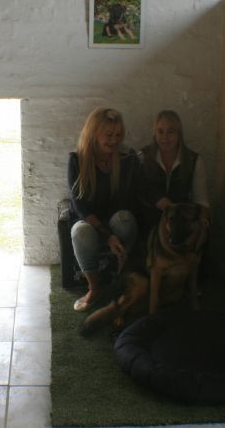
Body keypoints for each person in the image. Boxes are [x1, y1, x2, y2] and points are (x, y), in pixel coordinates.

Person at [68, 107, 140, 312]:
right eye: (108, 135)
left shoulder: (127, 159)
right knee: (80, 232)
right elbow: (80, 207)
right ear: (94, 133)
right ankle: (94, 288)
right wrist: (108, 236)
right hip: (88, 221)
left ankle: (120, 278)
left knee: (126, 219)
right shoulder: (76, 160)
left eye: (118, 135)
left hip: (117, 220)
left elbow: (131, 201)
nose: (114, 140)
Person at [138, 110, 210, 235]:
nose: (165, 137)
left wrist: (202, 224)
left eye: (170, 132)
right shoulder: (143, 157)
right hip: (148, 223)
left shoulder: (194, 161)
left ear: (179, 134)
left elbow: (201, 201)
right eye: (160, 131)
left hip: (180, 223)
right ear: (154, 133)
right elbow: (139, 190)